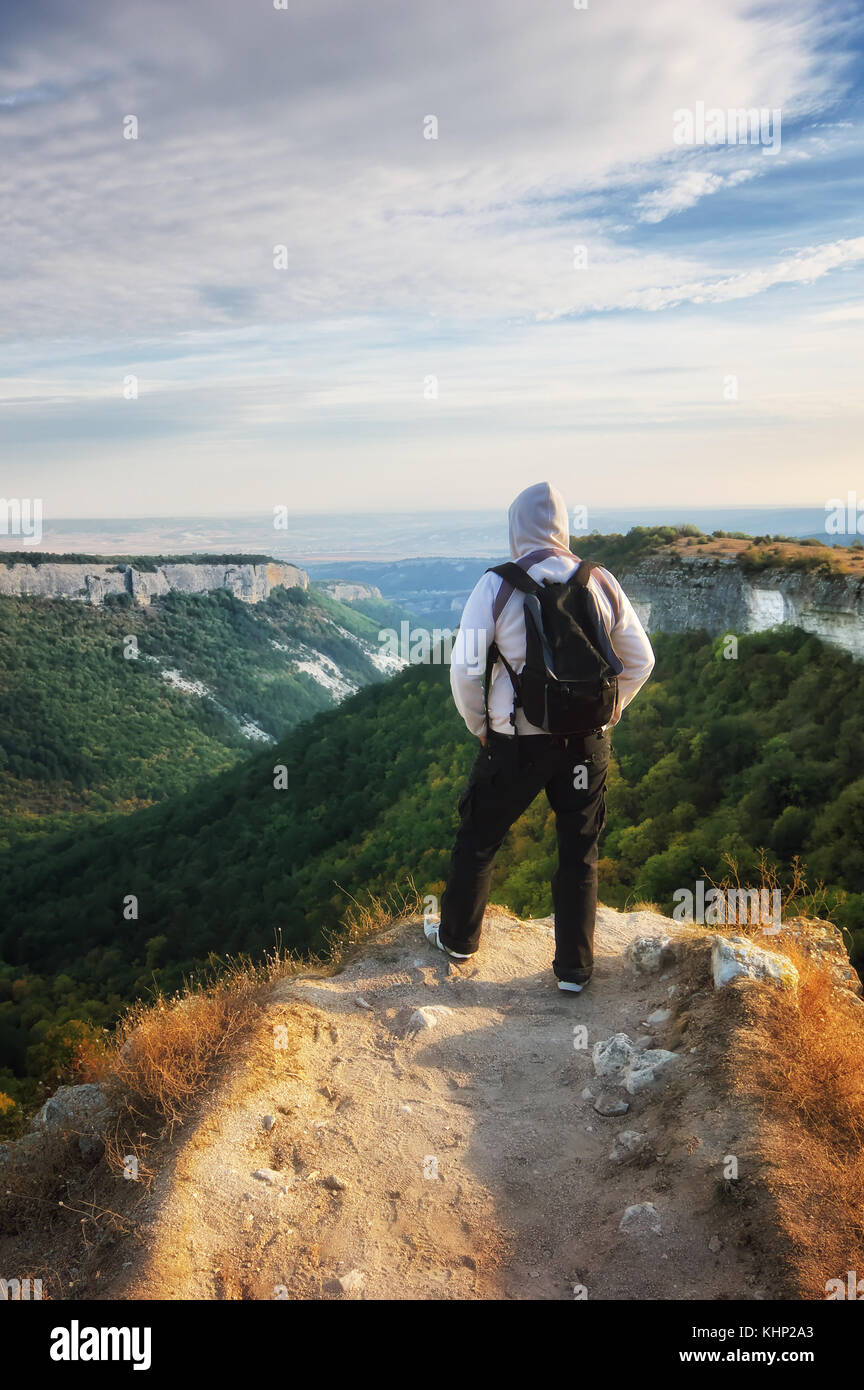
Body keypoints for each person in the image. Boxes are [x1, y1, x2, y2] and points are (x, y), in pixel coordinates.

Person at [426, 481, 655, 992]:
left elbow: (464, 671)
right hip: (586, 744)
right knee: (579, 850)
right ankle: (574, 971)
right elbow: (642, 661)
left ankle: (459, 940)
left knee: (480, 837)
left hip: (517, 743)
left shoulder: (498, 585)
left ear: (517, 529)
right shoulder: (601, 581)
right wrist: (611, 711)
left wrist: (481, 727)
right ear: (563, 527)